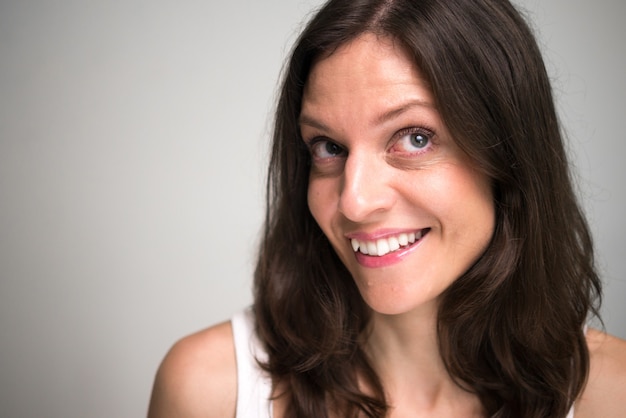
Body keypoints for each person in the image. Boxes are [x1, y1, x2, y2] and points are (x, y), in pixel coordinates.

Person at [147, 0, 626, 416]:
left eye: (415, 138)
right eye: (328, 147)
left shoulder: (614, 394)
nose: (354, 201)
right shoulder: (208, 389)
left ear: (509, 155)